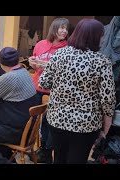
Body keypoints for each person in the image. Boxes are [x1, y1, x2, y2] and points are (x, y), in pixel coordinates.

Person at [39, 19, 116, 164]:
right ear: (96, 37)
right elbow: (108, 98)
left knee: (59, 158)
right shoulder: (102, 61)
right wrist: (107, 124)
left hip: (57, 119)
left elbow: (43, 82)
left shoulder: (59, 54)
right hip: (85, 123)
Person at [28, 17, 70, 163]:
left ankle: (46, 151)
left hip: (54, 90)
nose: (64, 31)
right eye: (61, 27)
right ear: (54, 28)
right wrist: (32, 62)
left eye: (66, 28)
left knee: (48, 122)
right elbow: (34, 65)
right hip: (37, 86)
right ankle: (30, 147)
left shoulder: (68, 48)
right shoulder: (40, 44)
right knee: (32, 118)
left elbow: (68, 72)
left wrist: (48, 66)